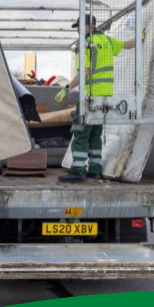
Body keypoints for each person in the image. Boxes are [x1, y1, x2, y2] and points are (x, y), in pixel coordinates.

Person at [58, 14, 141, 183]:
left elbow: (86, 72)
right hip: (105, 99)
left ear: (90, 26)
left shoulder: (86, 44)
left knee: (80, 133)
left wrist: (67, 88)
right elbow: (128, 45)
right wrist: (141, 37)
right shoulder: (108, 41)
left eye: (81, 27)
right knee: (95, 133)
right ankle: (94, 169)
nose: (79, 31)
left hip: (89, 98)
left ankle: (78, 170)